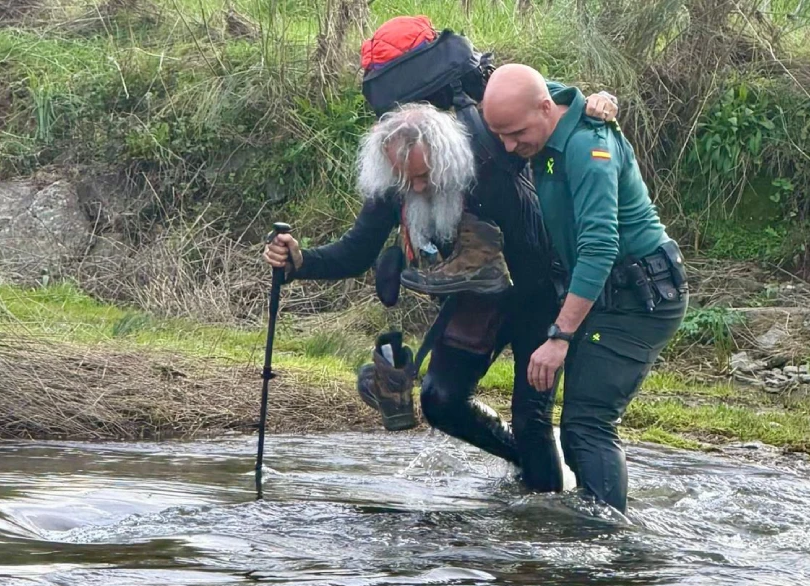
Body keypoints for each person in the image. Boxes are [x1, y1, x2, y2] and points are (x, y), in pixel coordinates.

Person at [262, 19, 620, 494]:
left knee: (532, 418)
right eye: (404, 180)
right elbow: (355, 252)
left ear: (449, 159)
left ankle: (542, 510)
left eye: (424, 178)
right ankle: (533, 472)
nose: (415, 188)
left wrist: (598, 104)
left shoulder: (497, 147)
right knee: (440, 400)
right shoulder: (399, 173)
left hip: (540, 294)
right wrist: (299, 261)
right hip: (478, 298)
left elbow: (544, 114)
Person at [480, 63, 689, 514]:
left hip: (640, 297)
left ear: (543, 109)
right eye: (500, 136)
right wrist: (600, 95)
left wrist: (559, 337)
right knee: (578, 425)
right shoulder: (547, 107)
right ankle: (586, 517)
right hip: (603, 292)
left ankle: (605, 543)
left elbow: (599, 247)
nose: (510, 147)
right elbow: (551, 91)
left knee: (588, 424)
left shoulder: (588, 148)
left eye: (516, 134)